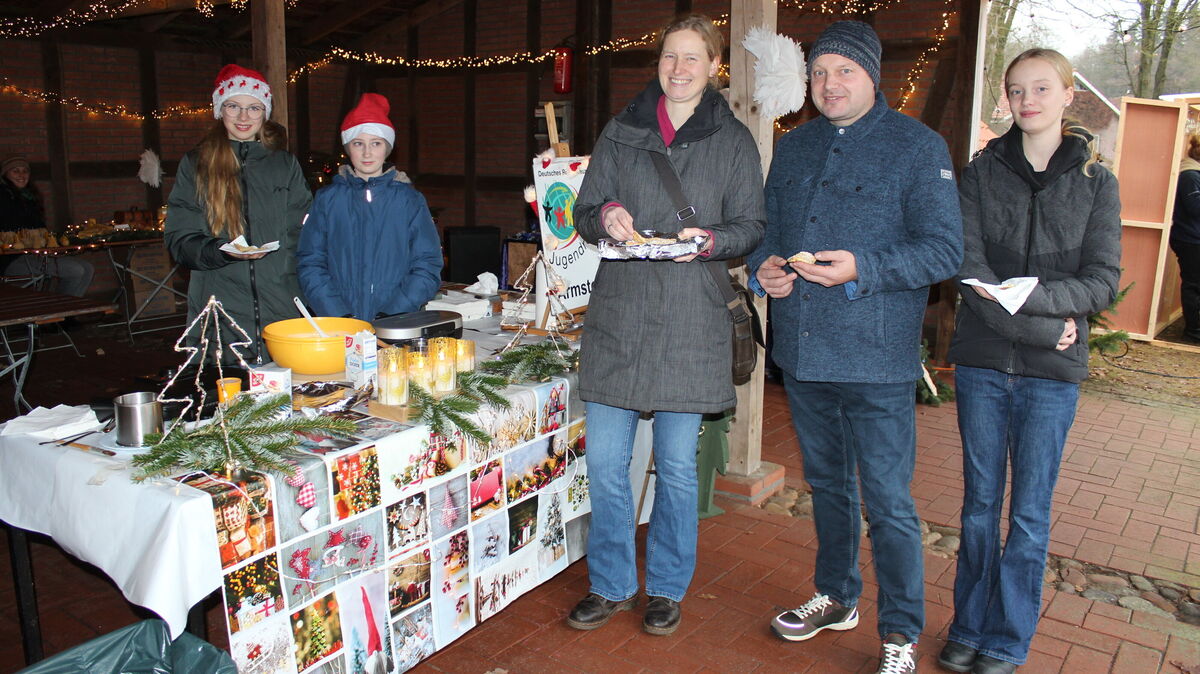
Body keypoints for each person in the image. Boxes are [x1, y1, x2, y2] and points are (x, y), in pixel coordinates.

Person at [747, 20, 963, 674]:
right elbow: (769, 232)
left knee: (890, 503)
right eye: (819, 73)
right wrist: (766, 268)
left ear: (872, 75)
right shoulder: (795, 147)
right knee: (830, 487)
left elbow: (944, 249)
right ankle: (837, 595)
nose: (830, 83)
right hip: (806, 356)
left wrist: (863, 266)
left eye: (844, 70)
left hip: (876, 362)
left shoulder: (917, 148)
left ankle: (899, 631)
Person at [569, 13, 765, 636]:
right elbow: (584, 209)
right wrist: (609, 216)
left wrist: (709, 241)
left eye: (692, 59)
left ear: (713, 67)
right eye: (669, 58)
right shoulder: (621, 131)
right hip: (621, 313)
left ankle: (668, 588)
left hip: (690, 319)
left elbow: (751, 227)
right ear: (658, 64)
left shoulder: (732, 141)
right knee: (604, 462)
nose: (678, 70)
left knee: (677, 468)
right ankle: (611, 583)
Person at [939, 49, 1121, 674]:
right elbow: (970, 271)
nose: (1027, 100)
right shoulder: (981, 173)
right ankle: (968, 624)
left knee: (1030, 513)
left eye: (1041, 88)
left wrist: (1037, 308)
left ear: (1069, 95)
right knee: (978, 506)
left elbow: (1101, 280)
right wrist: (1047, 326)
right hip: (985, 363)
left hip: (1052, 380)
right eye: (1016, 90)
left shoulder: (1098, 180)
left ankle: (1007, 639)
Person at [164, 64, 311, 363]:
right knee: (230, 400)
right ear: (220, 110)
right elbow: (179, 239)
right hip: (221, 308)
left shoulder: (284, 164)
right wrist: (221, 250)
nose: (244, 117)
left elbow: (306, 231)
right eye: (234, 106)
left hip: (281, 307)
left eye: (253, 108)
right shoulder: (196, 164)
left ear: (264, 113)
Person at [297, 93, 442, 320]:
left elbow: (427, 264)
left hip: (395, 321)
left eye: (376, 143)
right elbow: (311, 261)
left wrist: (394, 311)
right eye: (358, 143)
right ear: (348, 148)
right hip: (339, 323)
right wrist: (337, 313)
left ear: (387, 148)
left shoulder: (409, 202)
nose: (367, 153)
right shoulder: (327, 200)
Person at [0, 154, 95, 297]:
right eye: (15, 171)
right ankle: (62, 312)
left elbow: (39, 228)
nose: (21, 175)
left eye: (25, 171)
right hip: (12, 259)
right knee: (76, 270)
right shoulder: (3, 197)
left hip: (36, 254)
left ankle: (67, 312)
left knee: (88, 268)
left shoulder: (29, 197)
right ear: (5, 174)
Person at [1172, 131, 1200, 343]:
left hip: (1193, 238)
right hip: (1190, 240)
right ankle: (1193, 332)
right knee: (1193, 285)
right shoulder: (1190, 175)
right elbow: (1195, 208)